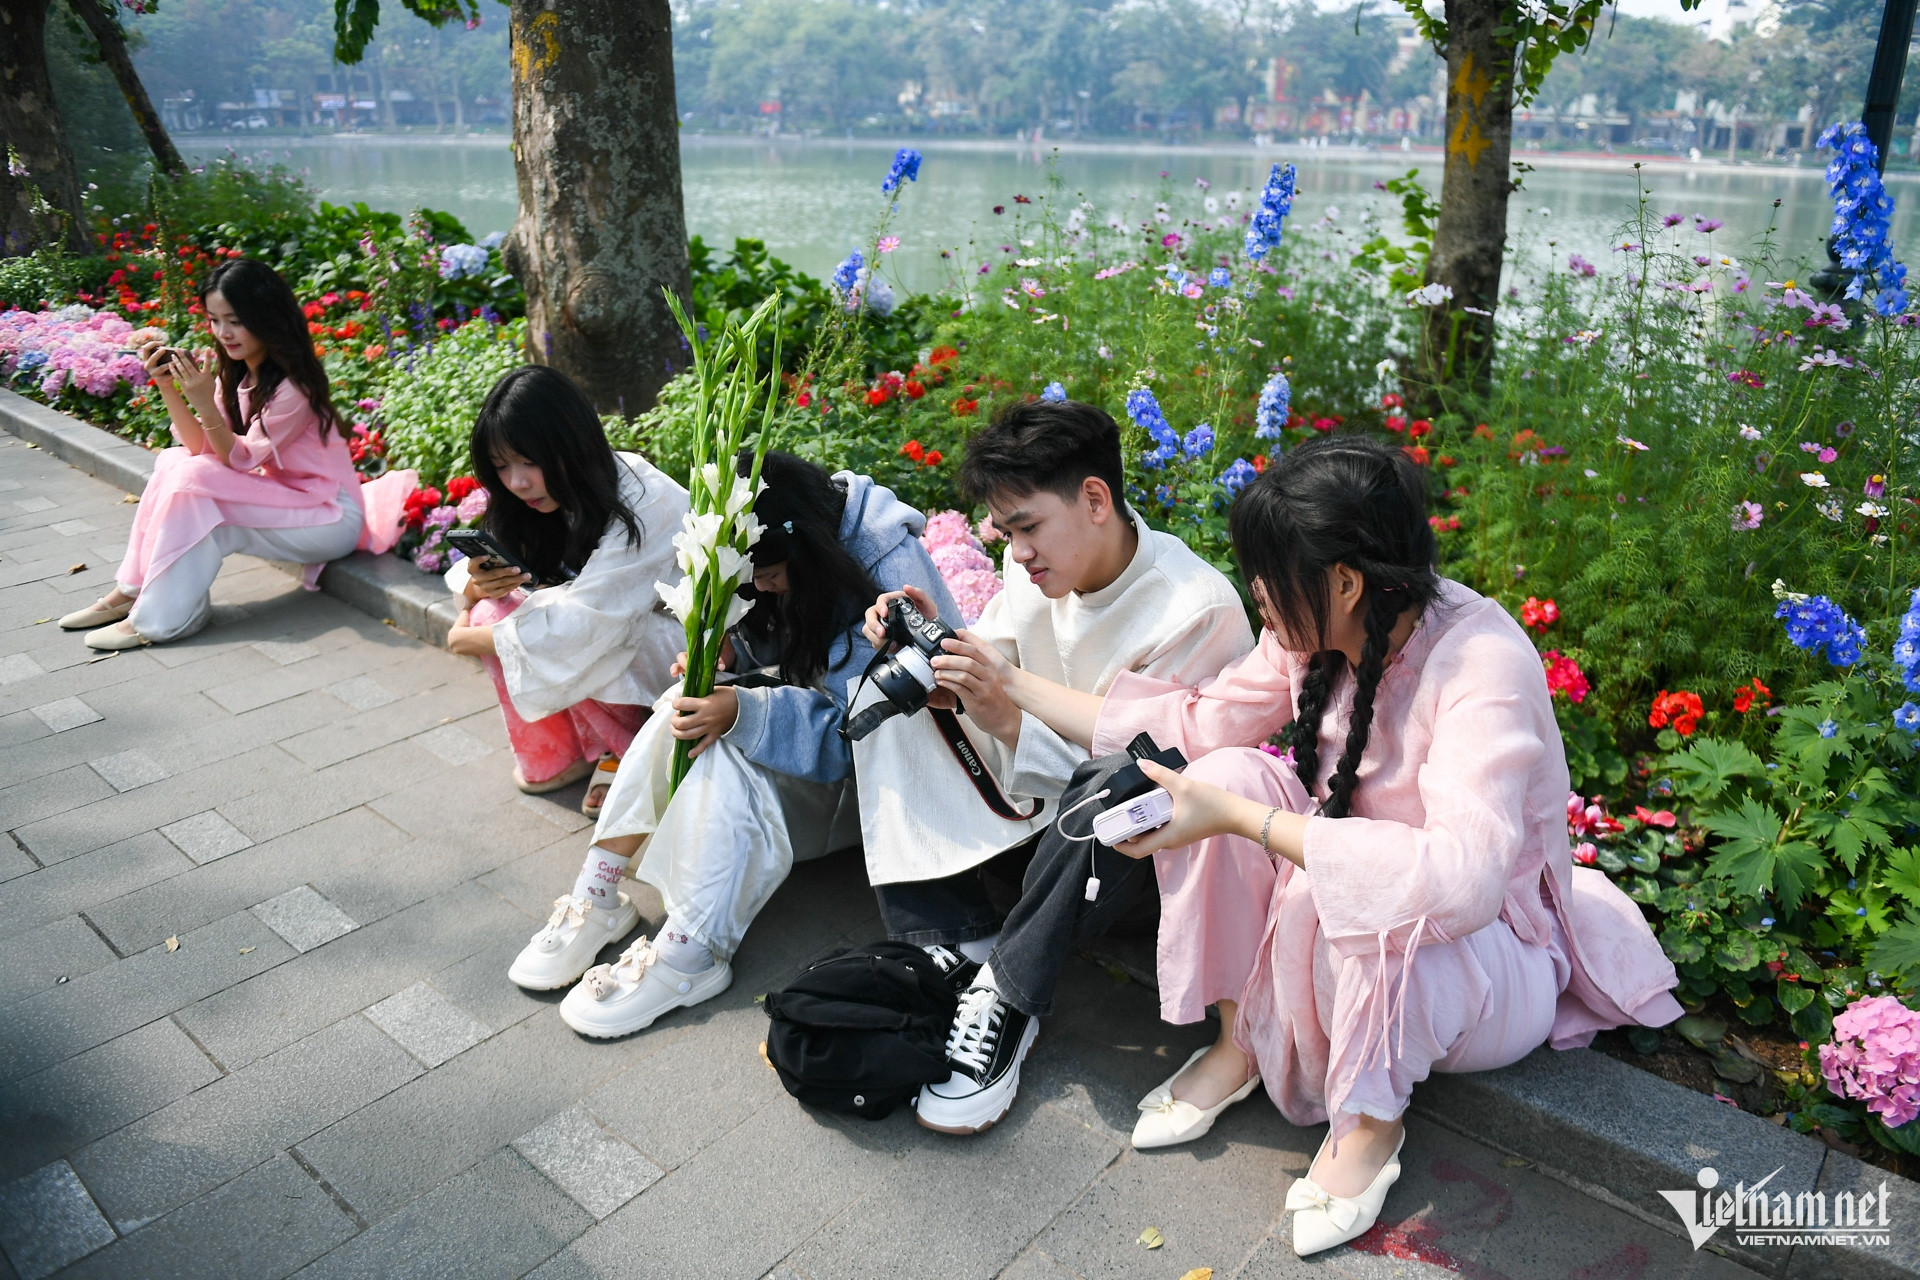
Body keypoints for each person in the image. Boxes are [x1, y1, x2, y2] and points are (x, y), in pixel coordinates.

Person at [1083, 435, 1681, 1256]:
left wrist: (1249, 823)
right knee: (1224, 774)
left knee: (1344, 872)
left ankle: (1370, 1122)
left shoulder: (1482, 662)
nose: (1256, 593)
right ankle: (1240, 1040)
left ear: (1345, 582)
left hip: (1483, 954)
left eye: (1268, 574)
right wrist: (1007, 693)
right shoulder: (1311, 631)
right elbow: (1199, 725)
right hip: (1350, 904)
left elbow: (1458, 885)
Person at [852, 398, 1254, 1135]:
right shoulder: (1036, 571)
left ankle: (1007, 993)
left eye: (1028, 527)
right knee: (897, 691)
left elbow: (1161, 792)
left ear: (1095, 499)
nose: (1018, 552)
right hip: (1037, 827)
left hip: (1131, 866)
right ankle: (955, 939)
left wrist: (1005, 718)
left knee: (1121, 783)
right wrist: (937, 647)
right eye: (1005, 534)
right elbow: (1000, 662)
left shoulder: (1195, 609)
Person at [506, 450, 959, 1040]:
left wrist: (743, 709)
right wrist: (731, 655)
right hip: (826, 760)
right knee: (685, 706)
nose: (762, 588)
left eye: (767, 576)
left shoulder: (888, 569)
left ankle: (691, 950)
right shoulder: (799, 547)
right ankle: (598, 894)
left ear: (805, 549)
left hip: (880, 790)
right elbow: (791, 648)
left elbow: (871, 732)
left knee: (725, 746)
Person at [60, 259, 363, 649]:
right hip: (289, 502)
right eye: (214, 320)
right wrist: (167, 386)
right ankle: (136, 593)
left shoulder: (295, 388)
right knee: (175, 464)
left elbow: (240, 460)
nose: (223, 333)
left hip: (329, 515)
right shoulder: (237, 374)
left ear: (267, 318)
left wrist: (203, 402)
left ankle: (159, 618)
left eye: (235, 321)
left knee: (193, 480)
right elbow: (198, 448)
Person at [443, 366, 689, 813]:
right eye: (501, 466)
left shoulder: (643, 498)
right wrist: (477, 590)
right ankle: (561, 754)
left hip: (694, 652)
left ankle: (628, 747)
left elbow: (586, 622)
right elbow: (475, 580)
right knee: (496, 610)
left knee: (563, 631)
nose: (516, 482)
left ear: (571, 443)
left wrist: (468, 638)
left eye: (529, 461)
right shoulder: (548, 496)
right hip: (626, 633)